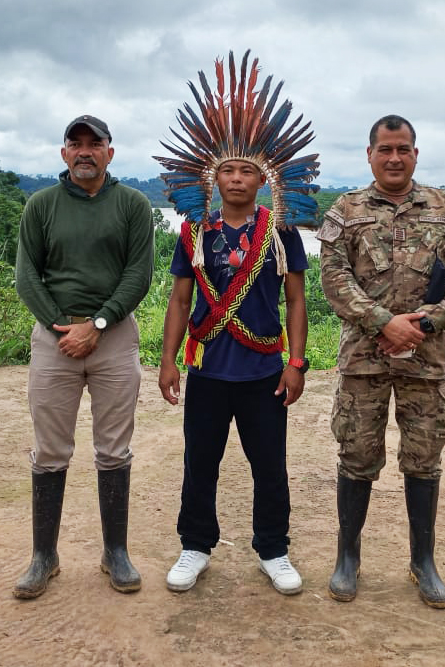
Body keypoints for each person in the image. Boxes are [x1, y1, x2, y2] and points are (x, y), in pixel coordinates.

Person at [154, 50, 320, 595]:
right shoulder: (194, 234)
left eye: (247, 169)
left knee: (269, 466)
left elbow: (296, 302)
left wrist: (296, 364)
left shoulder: (283, 232)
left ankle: (273, 550)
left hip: (263, 371)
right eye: (227, 168)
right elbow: (179, 301)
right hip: (205, 370)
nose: (237, 177)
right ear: (212, 177)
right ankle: (195, 546)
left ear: (264, 177)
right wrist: (167, 361)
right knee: (199, 464)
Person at [318, 114, 445, 608]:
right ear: (369, 154)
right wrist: (385, 322)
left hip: (426, 361)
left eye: (403, 149)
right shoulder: (346, 210)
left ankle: (422, 561)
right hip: (365, 358)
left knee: (424, 457)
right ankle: (349, 557)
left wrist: (425, 322)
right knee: (358, 454)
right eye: (385, 149)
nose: (394, 158)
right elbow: (333, 277)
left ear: (415, 153)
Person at [13, 114, 154, 599]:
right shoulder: (42, 205)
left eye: (96, 143)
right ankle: (43, 556)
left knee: (114, 448)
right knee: (50, 448)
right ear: (64, 153)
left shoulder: (133, 205)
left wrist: (96, 325)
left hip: (112, 337)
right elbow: (26, 275)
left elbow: (139, 273)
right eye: (76, 143)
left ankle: (115, 552)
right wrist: (61, 327)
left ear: (110, 152)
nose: (85, 151)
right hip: (54, 337)